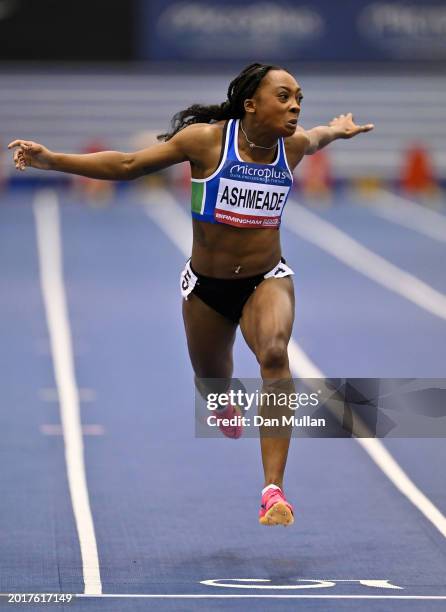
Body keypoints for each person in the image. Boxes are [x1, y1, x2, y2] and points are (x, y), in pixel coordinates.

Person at [8, 62, 373, 526]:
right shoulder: (206, 142)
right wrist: (52, 160)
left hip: (266, 279)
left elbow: (316, 136)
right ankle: (219, 400)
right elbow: (127, 165)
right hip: (206, 288)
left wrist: (337, 131)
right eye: (283, 96)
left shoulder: (292, 146)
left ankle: (273, 490)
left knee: (276, 355)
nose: (295, 105)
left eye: (299, 96)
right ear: (250, 104)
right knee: (212, 379)